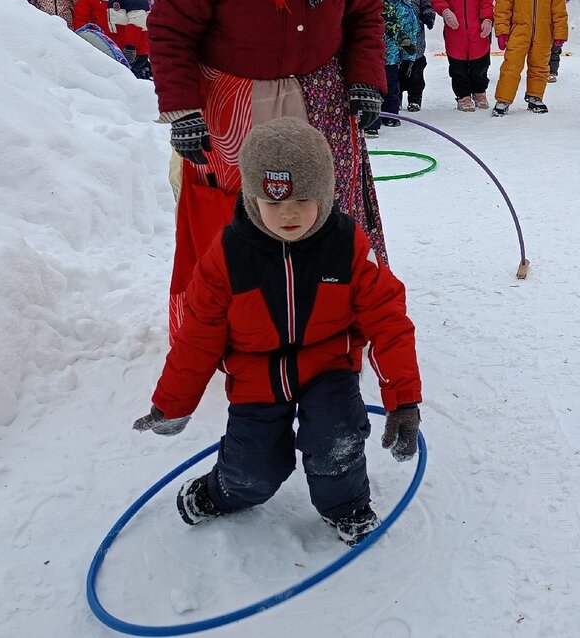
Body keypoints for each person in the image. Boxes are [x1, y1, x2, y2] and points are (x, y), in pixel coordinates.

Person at [148, 0, 389, 341]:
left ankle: (328, 321)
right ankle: (231, 326)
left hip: (320, 97)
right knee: (237, 214)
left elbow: (365, 16)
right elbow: (169, 27)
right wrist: (183, 110)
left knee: (324, 206)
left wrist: (366, 79)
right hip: (233, 103)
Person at [133, 118, 423, 546]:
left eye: (303, 199)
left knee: (336, 439)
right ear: (251, 196)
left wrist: (403, 398)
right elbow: (197, 337)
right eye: (272, 201)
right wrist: (172, 404)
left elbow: (388, 320)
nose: (288, 213)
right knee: (254, 465)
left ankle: (347, 507)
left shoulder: (348, 244)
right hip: (255, 374)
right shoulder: (227, 255)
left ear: (325, 193)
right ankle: (222, 492)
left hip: (329, 365)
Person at [431, 0, 494, 112]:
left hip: (477, 30)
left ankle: (479, 91)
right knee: (458, 67)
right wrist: (446, 11)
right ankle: (463, 95)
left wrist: (487, 19)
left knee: (480, 65)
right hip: (455, 31)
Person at [367, 0, 419, 138]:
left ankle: (390, 114)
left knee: (391, 87)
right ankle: (370, 121)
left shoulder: (406, 9)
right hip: (372, 56)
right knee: (372, 89)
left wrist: (409, 59)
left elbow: (411, 34)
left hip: (392, 58)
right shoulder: (375, 4)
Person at [102, 0, 154, 80]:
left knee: (133, 79)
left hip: (133, 50)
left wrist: (130, 47)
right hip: (122, 48)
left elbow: (137, 23)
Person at [399, 0, 435, 111]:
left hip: (416, 38)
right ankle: (395, 98)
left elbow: (427, 4)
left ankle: (415, 98)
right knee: (396, 72)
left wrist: (428, 14)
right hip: (396, 39)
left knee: (416, 73)